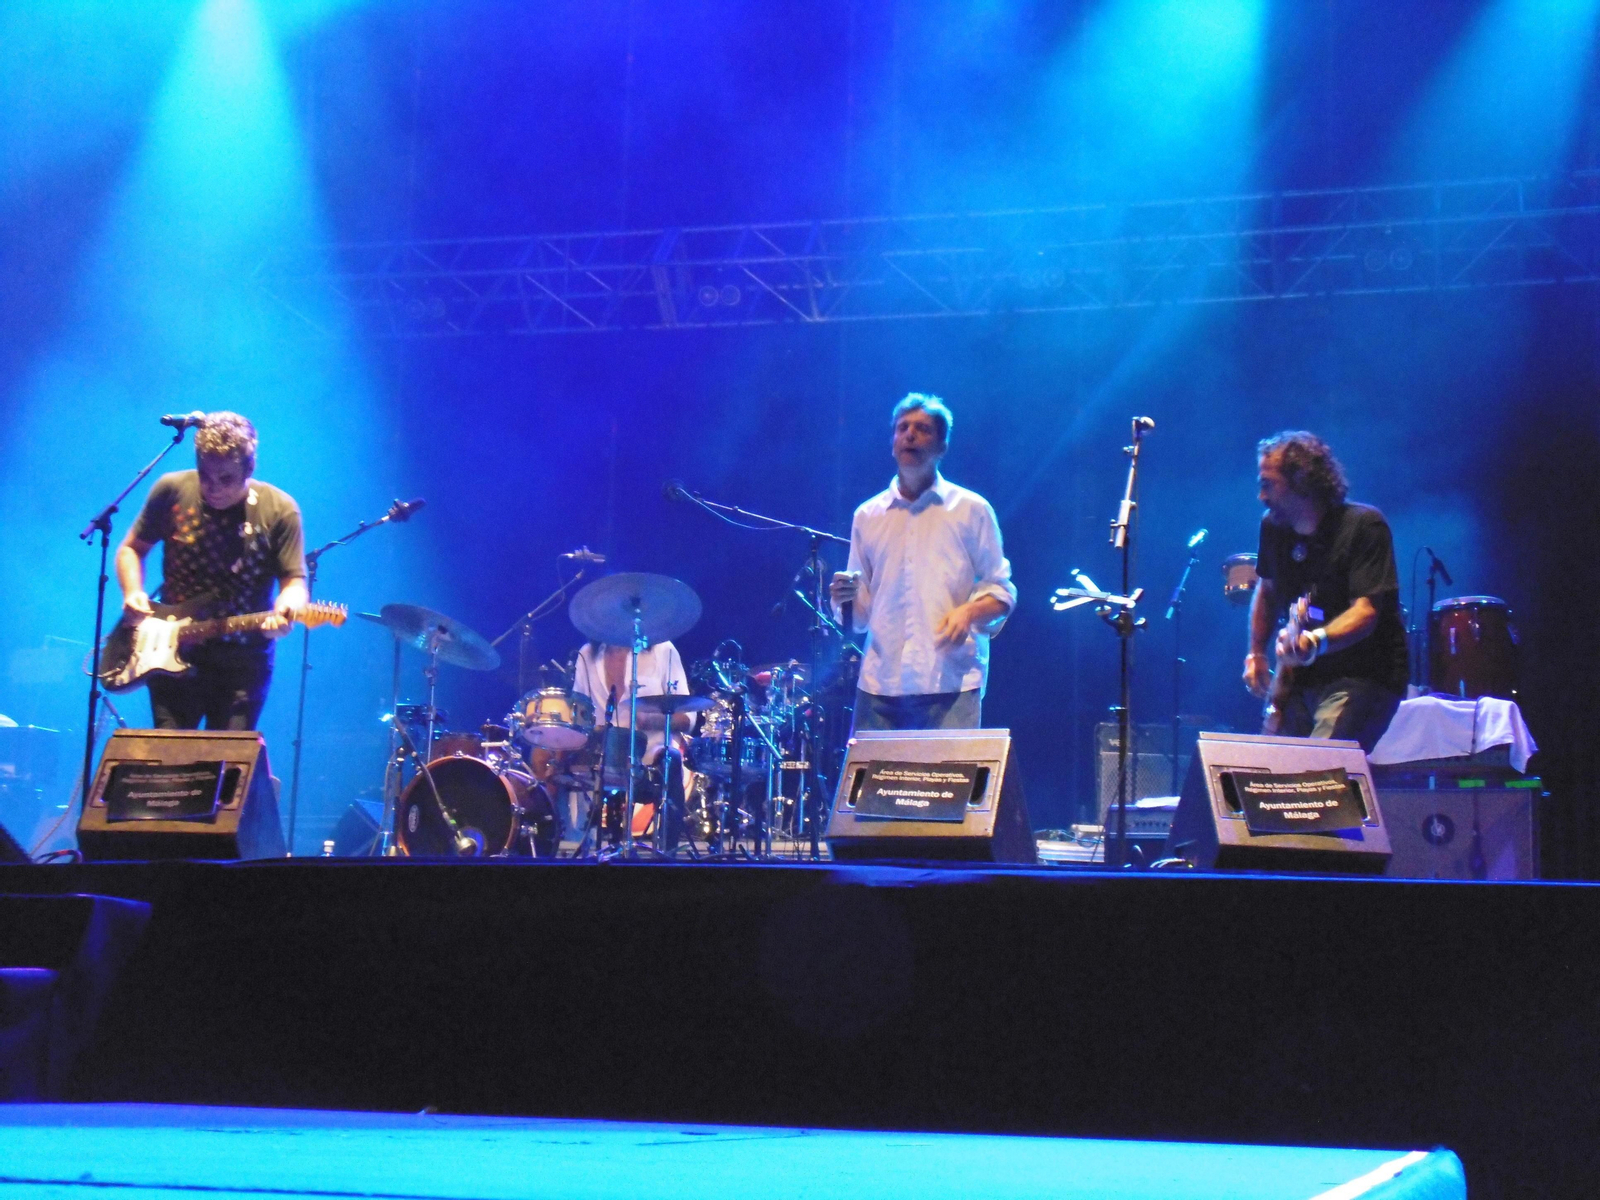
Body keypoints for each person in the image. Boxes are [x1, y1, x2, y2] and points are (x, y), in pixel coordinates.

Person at [829, 393, 1016, 731]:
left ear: (942, 446)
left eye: (922, 429)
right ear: (893, 443)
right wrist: (843, 597)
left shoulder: (971, 509)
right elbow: (860, 615)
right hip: (881, 686)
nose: (910, 435)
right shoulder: (868, 515)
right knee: (875, 785)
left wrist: (968, 612)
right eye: (902, 428)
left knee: (950, 783)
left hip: (950, 683)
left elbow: (1002, 592)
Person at [116, 412, 307, 730]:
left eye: (226, 478)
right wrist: (133, 592)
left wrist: (288, 607)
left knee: (228, 764)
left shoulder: (280, 510)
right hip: (170, 649)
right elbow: (131, 549)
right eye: (205, 474)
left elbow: (294, 581)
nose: (212, 487)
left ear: (249, 468)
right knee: (170, 764)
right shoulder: (172, 490)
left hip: (242, 662)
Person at [1243, 431, 1408, 752]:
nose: (1261, 496)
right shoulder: (1273, 527)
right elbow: (1267, 589)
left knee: (1319, 769)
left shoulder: (1364, 526)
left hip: (1363, 675)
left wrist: (1313, 641)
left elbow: (1366, 611)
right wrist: (1256, 653)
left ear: (1302, 481)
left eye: (1268, 484)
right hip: (1303, 677)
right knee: (1276, 771)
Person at [569, 639, 695, 842]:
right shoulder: (587, 653)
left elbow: (687, 718)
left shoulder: (663, 650)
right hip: (603, 758)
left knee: (671, 758)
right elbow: (579, 714)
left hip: (650, 758)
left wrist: (650, 720)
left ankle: (666, 850)